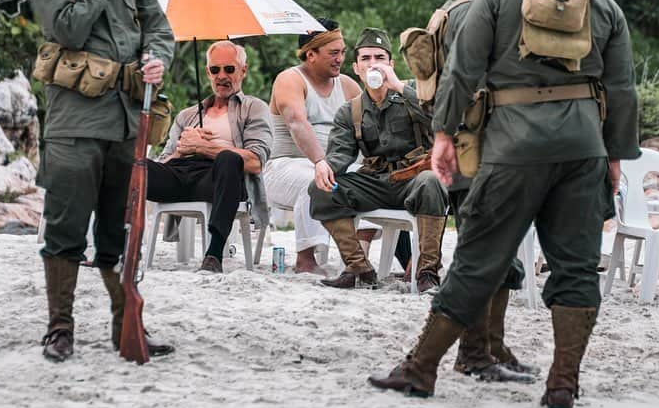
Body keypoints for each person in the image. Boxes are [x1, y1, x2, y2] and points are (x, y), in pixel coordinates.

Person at [369, 0, 640, 408]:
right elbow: (622, 90)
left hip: (512, 147)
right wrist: (615, 156)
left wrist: (445, 135)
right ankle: (563, 383)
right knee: (577, 267)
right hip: (583, 149)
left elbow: (461, 71)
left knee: (477, 258)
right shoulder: (604, 5)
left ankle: (421, 369)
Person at [29, 0, 175, 361]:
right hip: (74, 126)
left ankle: (124, 326)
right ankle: (59, 329)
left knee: (120, 231)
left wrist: (157, 58)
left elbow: (160, 30)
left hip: (126, 127)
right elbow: (66, 30)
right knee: (66, 228)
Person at [439, 0, 537, 383]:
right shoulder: (473, 12)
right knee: (487, 256)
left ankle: (491, 347)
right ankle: (475, 354)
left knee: (498, 256)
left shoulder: (457, 10)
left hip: (473, 149)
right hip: (476, 151)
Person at [310, 28, 449, 291]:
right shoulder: (349, 110)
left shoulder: (413, 93)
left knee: (431, 181)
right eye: (365, 59)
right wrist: (325, 165)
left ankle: (427, 271)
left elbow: (442, 116)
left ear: (390, 64)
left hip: (414, 180)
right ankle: (358, 268)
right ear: (356, 68)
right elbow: (340, 153)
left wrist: (397, 85)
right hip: (376, 183)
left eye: (379, 57)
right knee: (322, 188)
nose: (373, 64)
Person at [150, 41, 272, 274]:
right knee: (134, 167)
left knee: (228, 158)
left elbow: (256, 161)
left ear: (243, 71)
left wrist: (205, 147)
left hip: (222, 178)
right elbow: (164, 162)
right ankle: (115, 248)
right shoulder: (187, 115)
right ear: (208, 73)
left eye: (229, 69)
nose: (222, 76)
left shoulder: (254, 108)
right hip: (181, 174)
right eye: (215, 70)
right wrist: (181, 151)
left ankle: (213, 255)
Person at [263, 18, 362, 275]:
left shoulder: (349, 86)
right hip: (286, 166)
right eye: (333, 53)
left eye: (342, 52)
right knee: (317, 181)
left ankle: (358, 258)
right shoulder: (289, 80)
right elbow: (297, 122)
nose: (340, 58)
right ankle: (305, 260)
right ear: (311, 54)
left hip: (337, 165)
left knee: (372, 180)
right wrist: (320, 162)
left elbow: (368, 129)